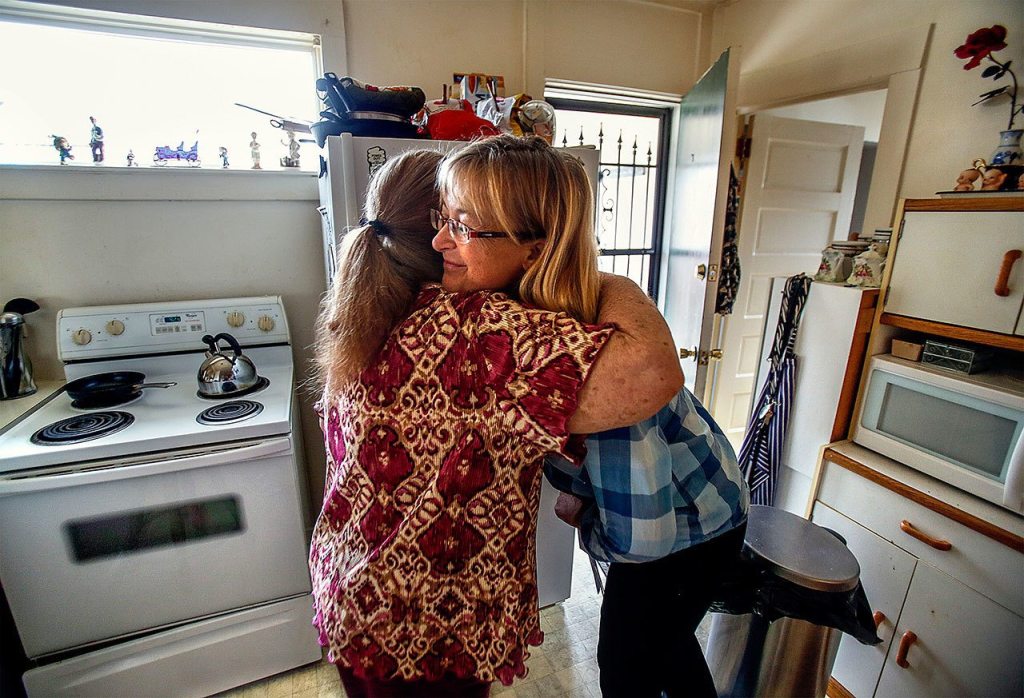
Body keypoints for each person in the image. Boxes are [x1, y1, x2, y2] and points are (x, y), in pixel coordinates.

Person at [310, 137, 682, 697]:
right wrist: (578, 257)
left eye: (461, 220)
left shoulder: (361, 309)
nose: (449, 235)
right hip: (430, 624)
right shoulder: (477, 331)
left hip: (349, 585)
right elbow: (653, 371)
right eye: (449, 217)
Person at [545, 386, 749, 698]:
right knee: (669, 646)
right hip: (711, 502)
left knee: (625, 670)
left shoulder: (608, 386)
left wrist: (586, 520)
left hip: (692, 531)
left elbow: (640, 543)